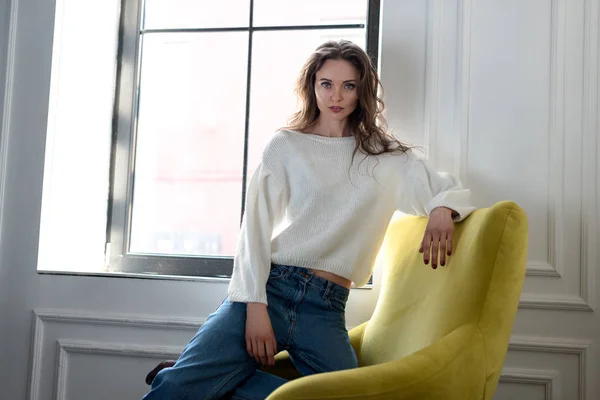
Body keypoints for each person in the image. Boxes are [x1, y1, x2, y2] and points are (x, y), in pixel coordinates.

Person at [142, 39, 475, 400]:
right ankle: (188, 377)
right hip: (270, 289)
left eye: (348, 85)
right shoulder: (287, 146)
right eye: (326, 84)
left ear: (361, 90)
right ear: (312, 87)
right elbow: (254, 229)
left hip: (327, 308)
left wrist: (442, 209)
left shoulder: (386, 157)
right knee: (175, 392)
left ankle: (203, 377)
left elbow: (446, 190)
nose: (337, 96)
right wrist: (255, 306)